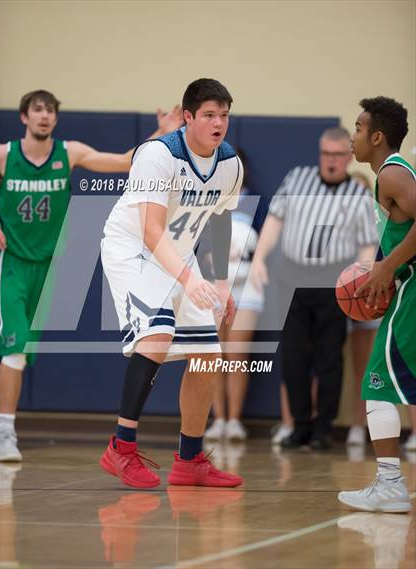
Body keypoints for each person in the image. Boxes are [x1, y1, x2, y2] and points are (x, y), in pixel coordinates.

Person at [0, 89, 182, 462]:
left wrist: (160, 134)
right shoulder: (3, 154)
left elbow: (126, 162)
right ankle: (4, 433)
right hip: (14, 263)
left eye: (50, 110)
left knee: (20, 353)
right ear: (24, 117)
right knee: (13, 350)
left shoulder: (70, 153)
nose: (44, 116)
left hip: (50, 268)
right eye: (37, 110)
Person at [100, 78, 244, 489]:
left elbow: (218, 219)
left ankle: (190, 458)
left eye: (225, 115)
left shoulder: (230, 163)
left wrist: (219, 283)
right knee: (158, 335)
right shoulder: (157, 155)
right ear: (188, 117)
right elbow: (150, 232)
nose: (219, 123)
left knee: (207, 355)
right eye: (210, 115)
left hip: (177, 254)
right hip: (133, 249)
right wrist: (187, 278)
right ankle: (120, 448)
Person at [252, 127, 378, 450]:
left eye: (338, 155)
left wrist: (361, 277)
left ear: (349, 157)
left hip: (333, 279)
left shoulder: (359, 195)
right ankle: (299, 427)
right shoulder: (298, 179)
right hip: (293, 277)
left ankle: (323, 429)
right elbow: (275, 220)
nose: (331, 161)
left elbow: (367, 244)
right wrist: (259, 259)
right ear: (319, 153)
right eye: (326, 154)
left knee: (329, 359)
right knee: (293, 357)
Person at [338, 96, 415, 513]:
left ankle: (389, 484)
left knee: (376, 381)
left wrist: (388, 269)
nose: (353, 137)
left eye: (358, 128)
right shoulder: (392, 175)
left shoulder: (391, 174)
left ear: (378, 136)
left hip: (413, 292)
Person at [205, 149, 267, 441]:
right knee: (215, 354)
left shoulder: (257, 202)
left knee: (237, 355)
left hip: (247, 289)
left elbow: (266, 243)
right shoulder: (208, 200)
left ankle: (234, 421)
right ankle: (217, 419)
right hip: (215, 286)